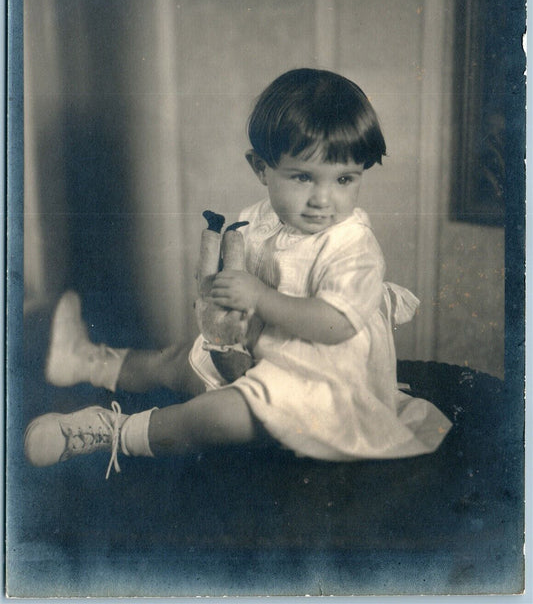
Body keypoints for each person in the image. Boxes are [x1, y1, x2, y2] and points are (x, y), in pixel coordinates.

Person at [24, 68, 452, 479]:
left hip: (322, 389)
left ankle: (111, 432)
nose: (324, 199)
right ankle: (89, 361)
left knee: (214, 417)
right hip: (262, 356)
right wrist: (224, 322)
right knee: (179, 359)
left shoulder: (352, 245)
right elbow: (234, 292)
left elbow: (336, 323)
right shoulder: (259, 221)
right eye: (303, 176)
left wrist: (260, 299)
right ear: (261, 168)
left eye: (344, 178)